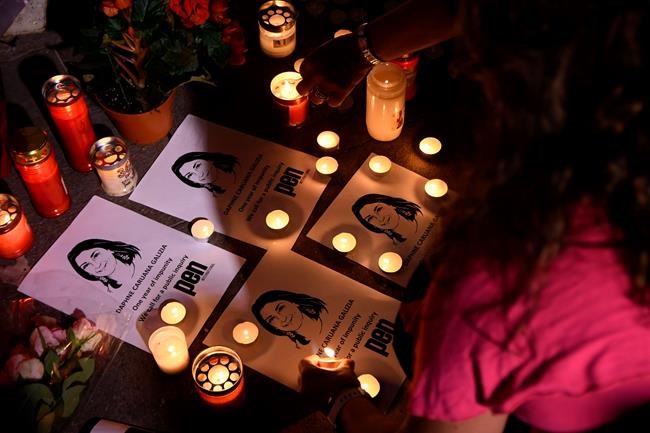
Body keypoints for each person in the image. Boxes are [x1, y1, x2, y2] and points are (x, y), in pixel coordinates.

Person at [297, 1, 650, 433]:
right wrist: (366, 48)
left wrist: (341, 398)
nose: (463, 65)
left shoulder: (503, 285)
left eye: (483, 63)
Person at [252, 290, 328, 347]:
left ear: (293, 302)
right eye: (271, 319)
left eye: (281, 308)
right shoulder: (298, 348)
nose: (282, 319)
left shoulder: (326, 312)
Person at [68, 239, 141, 291]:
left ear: (109, 249)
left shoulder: (140, 258)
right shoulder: (111, 292)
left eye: (96, 255)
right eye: (86, 265)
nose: (96, 265)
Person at [352, 193, 422, 243]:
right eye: (370, 219)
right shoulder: (395, 243)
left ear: (390, 204)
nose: (380, 219)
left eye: (379, 209)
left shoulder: (420, 215)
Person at [171, 151, 238, 196]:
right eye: (189, 175)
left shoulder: (237, 165)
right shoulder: (218, 195)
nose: (200, 175)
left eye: (198, 166)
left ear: (208, 159)